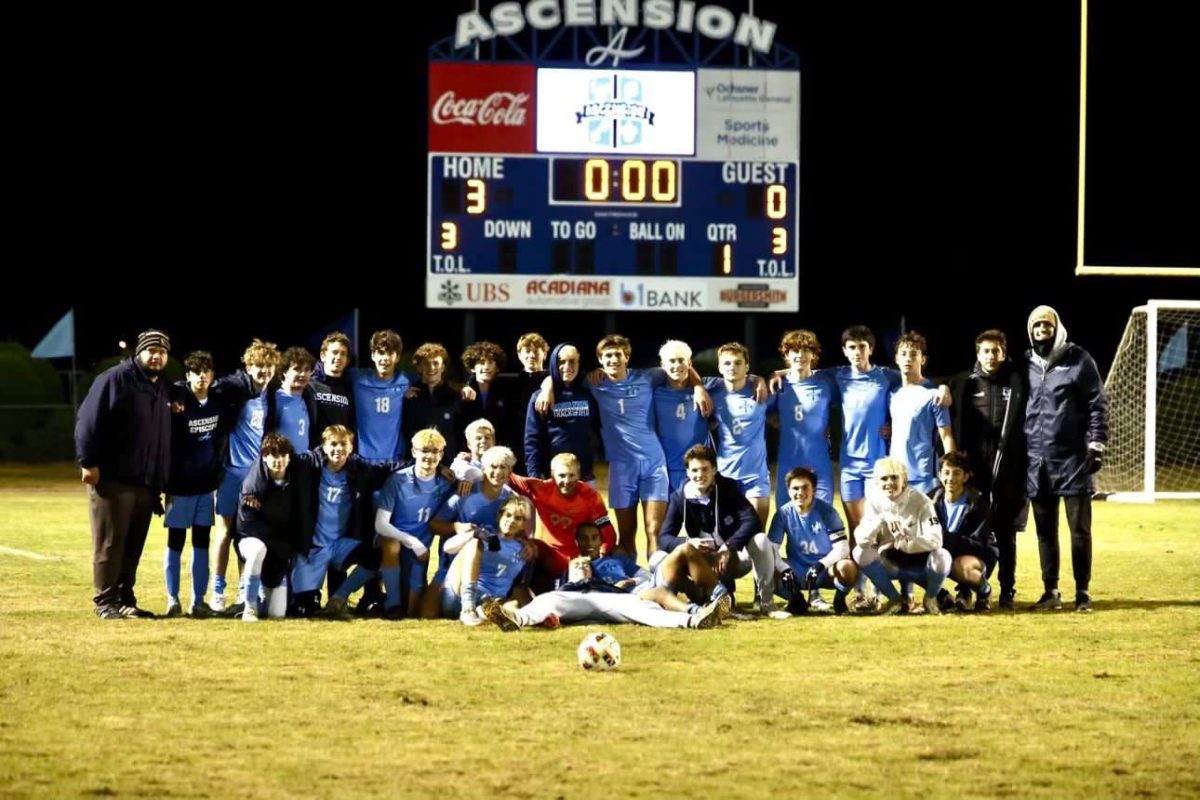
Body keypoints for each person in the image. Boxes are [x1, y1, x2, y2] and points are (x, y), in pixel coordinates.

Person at [76, 329, 173, 619]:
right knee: (110, 542)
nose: (156, 356)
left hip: (145, 482)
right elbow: (87, 422)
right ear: (138, 352)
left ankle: (124, 598)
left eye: (162, 351)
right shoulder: (114, 379)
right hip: (113, 479)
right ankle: (105, 602)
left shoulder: (162, 387)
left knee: (133, 544)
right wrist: (88, 461)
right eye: (150, 350)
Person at [481, 523, 726, 631]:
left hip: (614, 597)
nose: (589, 543)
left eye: (594, 538)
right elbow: (553, 589)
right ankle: (516, 619)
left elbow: (646, 578)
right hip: (574, 597)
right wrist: (576, 574)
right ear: (577, 543)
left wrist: (630, 584)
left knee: (645, 611)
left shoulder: (617, 560)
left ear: (601, 542)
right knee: (547, 601)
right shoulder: (570, 564)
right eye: (584, 539)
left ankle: (695, 620)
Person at [1023, 305, 1108, 613]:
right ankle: (1051, 591)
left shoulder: (1079, 359)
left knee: (1079, 530)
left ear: (1057, 328)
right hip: (1036, 460)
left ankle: (1083, 592)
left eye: (1046, 326)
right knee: (1045, 531)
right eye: (1036, 327)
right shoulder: (1026, 364)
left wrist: (1096, 443)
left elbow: (1097, 403)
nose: (1041, 332)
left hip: (1072, 459)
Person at [950, 329, 1027, 610]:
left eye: (996, 351)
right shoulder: (966, 385)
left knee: (1006, 536)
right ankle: (966, 590)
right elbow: (955, 423)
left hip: (1009, 476)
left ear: (1004, 353)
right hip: (978, 475)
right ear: (977, 354)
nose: (991, 356)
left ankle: (1008, 591)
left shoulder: (1019, 382)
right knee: (970, 534)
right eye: (986, 351)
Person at [287, 425, 400, 617]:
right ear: (323, 446)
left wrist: (438, 467)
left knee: (374, 555)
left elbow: (392, 466)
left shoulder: (360, 468)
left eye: (343, 444)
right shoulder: (308, 465)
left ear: (351, 447)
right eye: (333, 444)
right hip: (313, 547)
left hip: (341, 545)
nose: (338, 448)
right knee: (304, 610)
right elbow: (273, 459)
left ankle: (340, 596)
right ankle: (307, 596)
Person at [210, 339, 280, 611]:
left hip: (256, 477)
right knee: (225, 532)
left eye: (269, 367)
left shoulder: (269, 395)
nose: (264, 371)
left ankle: (243, 591)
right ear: (248, 366)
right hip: (231, 472)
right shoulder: (234, 387)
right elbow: (207, 390)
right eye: (258, 366)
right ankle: (217, 591)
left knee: (247, 533)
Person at [747, 466, 856, 617]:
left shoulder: (827, 512)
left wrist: (820, 565)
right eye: (795, 488)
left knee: (848, 566)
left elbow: (843, 548)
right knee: (766, 568)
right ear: (788, 491)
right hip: (796, 569)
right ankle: (797, 599)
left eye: (805, 487)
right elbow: (771, 550)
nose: (800, 492)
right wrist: (784, 568)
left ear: (814, 490)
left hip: (824, 570)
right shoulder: (783, 514)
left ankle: (839, 601)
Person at [162, 350, 223, 617]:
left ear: (212, 375)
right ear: (187, 376)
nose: (201, 376)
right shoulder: (177, 396)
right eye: (196, 372)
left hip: (205, 486)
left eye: (205, 371)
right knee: (175, 542)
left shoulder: (218, 400)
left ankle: (198, 601)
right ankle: (172, 600)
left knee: (202, 542)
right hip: (179, 486)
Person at [658, 444, 760, 603]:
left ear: (714, 470)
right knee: (657, 559)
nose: (700, 475)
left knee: (761, 541)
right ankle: (680, 598)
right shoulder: (680, 497)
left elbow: (752, 520)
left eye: (705, 469)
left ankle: (764, 601)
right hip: (700, 560)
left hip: (730, 559)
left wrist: (728, 546)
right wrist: (689, 543)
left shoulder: (727, 487)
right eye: (694, 470)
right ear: (687, 472)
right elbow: (664, 537)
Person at [372, 428, 456, 617]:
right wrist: (413, 542)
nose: (429, 456)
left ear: (442, 454)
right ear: (413, 452)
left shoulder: (445, 485)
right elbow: (380, 525)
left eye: (435, 451)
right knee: (390, 546)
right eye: (424, 450)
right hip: (394, 542)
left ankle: (394, 600)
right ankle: (391, 605)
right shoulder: (398, 479)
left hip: (420, 555)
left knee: (413, 611)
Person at [852, 457, 950, 615]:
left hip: (919, 564)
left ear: (904, 480)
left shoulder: (922, 501)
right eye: (884, 478)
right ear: (876, 482)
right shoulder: (873, 501)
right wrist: (882, 519)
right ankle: (894, 599)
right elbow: (861, 539)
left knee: (943, 556)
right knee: (859, 552)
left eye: (894, 477)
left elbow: (936, 540)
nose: (889, 482)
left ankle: (931, 597)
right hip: (891, 565)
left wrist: (901, 543)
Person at [508, 452, 616, 590]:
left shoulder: (590, 496)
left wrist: (600, 554)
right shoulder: (540, 489)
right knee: (529, 545)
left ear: (579, 474)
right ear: (553, 475)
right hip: (549, 556)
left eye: (572, 475)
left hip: (581, 560)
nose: (567, 481)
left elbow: (607, 530)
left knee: (618, 552)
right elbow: (506, 474)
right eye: (562, 475)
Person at [235, 433, 303, 622]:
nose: (279, 460)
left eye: (283, 455)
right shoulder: (254, 484)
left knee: (276, 614)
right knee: (258, 550)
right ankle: (249, 607)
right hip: (252, 541)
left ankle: (262, 594)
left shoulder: (295, 483)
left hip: (279, 551)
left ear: (289, 457)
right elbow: (245, 525)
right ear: (264, 457)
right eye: (273, 455)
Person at [439, 496, 535, 626]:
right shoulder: (485, 533)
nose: (511, 521)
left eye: (518, 518)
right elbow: (447, 547)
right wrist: (475, 534)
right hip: (458, 596)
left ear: (524, 524)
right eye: (508, 515)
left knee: (513, 605)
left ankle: (486, 613)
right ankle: (468, 609)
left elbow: (521, 587)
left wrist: (532, 547)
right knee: (473, 543)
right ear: (500, 515)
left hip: (491, 601)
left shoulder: (523, 549)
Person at [768, 329, 837, 508]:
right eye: (794, 351)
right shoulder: (778, 386)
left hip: (819, 463)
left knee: (822, 517)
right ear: (787, 354)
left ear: (813, 354)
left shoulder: (826, 382)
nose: (800, 355)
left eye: (806, 350)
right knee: (786, 517)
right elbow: (760, 413)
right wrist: (773, 420)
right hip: (787, 463)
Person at [928, 452, 998, 612]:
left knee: (958, 567)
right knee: (921, 560)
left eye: (957, 473)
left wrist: (946, 541)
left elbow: (980, 542)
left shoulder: (979, 502)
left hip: (977, 554)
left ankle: (984, 591)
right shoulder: (930, 501)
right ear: (940, 475)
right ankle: (941, 596)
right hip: (947, 550)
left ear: (966, 477)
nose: (951, 478)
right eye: (946, 472)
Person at [889, 332, 955, 493]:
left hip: (925, 477)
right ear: (897, 358)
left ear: (923, 360)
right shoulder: (892, 394)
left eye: (913, 354)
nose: (908, 358)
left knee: (929, 520)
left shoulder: (935, 395)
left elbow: (947, 436)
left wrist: (950, 470)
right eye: (903, 354)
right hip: (896, 475)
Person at [523, 342, 599, 482]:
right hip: (551, 476)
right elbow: (532, 439)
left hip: (584, 474)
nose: (567, 367)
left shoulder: (589, 393)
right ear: (553, 363)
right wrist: (534, 475)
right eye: (561, 362)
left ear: (579, 363)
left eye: (572, 361)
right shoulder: (540, 397)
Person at [652, 340, 711, 492]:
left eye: (681, 360)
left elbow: (740, 381)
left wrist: (699, 387)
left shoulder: (708, 389)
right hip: (665, 472)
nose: (677, 365)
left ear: (689, 363)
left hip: (699, 472)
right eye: (671, 361)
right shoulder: (654, 394)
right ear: (663, 365)